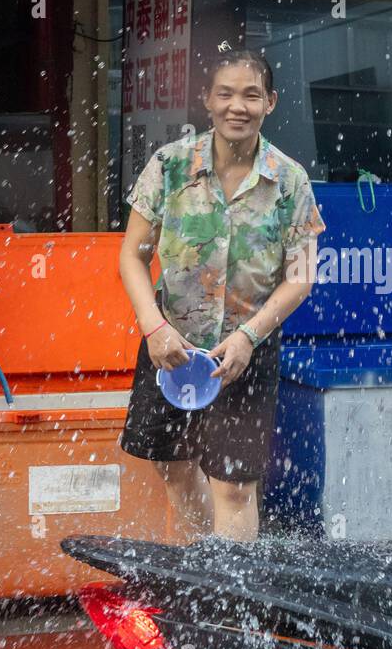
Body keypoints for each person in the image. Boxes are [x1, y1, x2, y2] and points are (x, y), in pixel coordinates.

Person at [118, 50, 324, 542]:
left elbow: (301, 276)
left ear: (270, 103)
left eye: (251, 95)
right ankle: (199, 575)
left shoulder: (290, 180)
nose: (238, 106)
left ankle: (234, 605)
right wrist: (154, 326)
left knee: (234, 484)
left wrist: (250, 337)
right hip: (169, 342)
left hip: (246, 348)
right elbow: (132, 257)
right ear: (207, 100)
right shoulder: (168, 167)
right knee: (173, 466)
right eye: (226, 94)